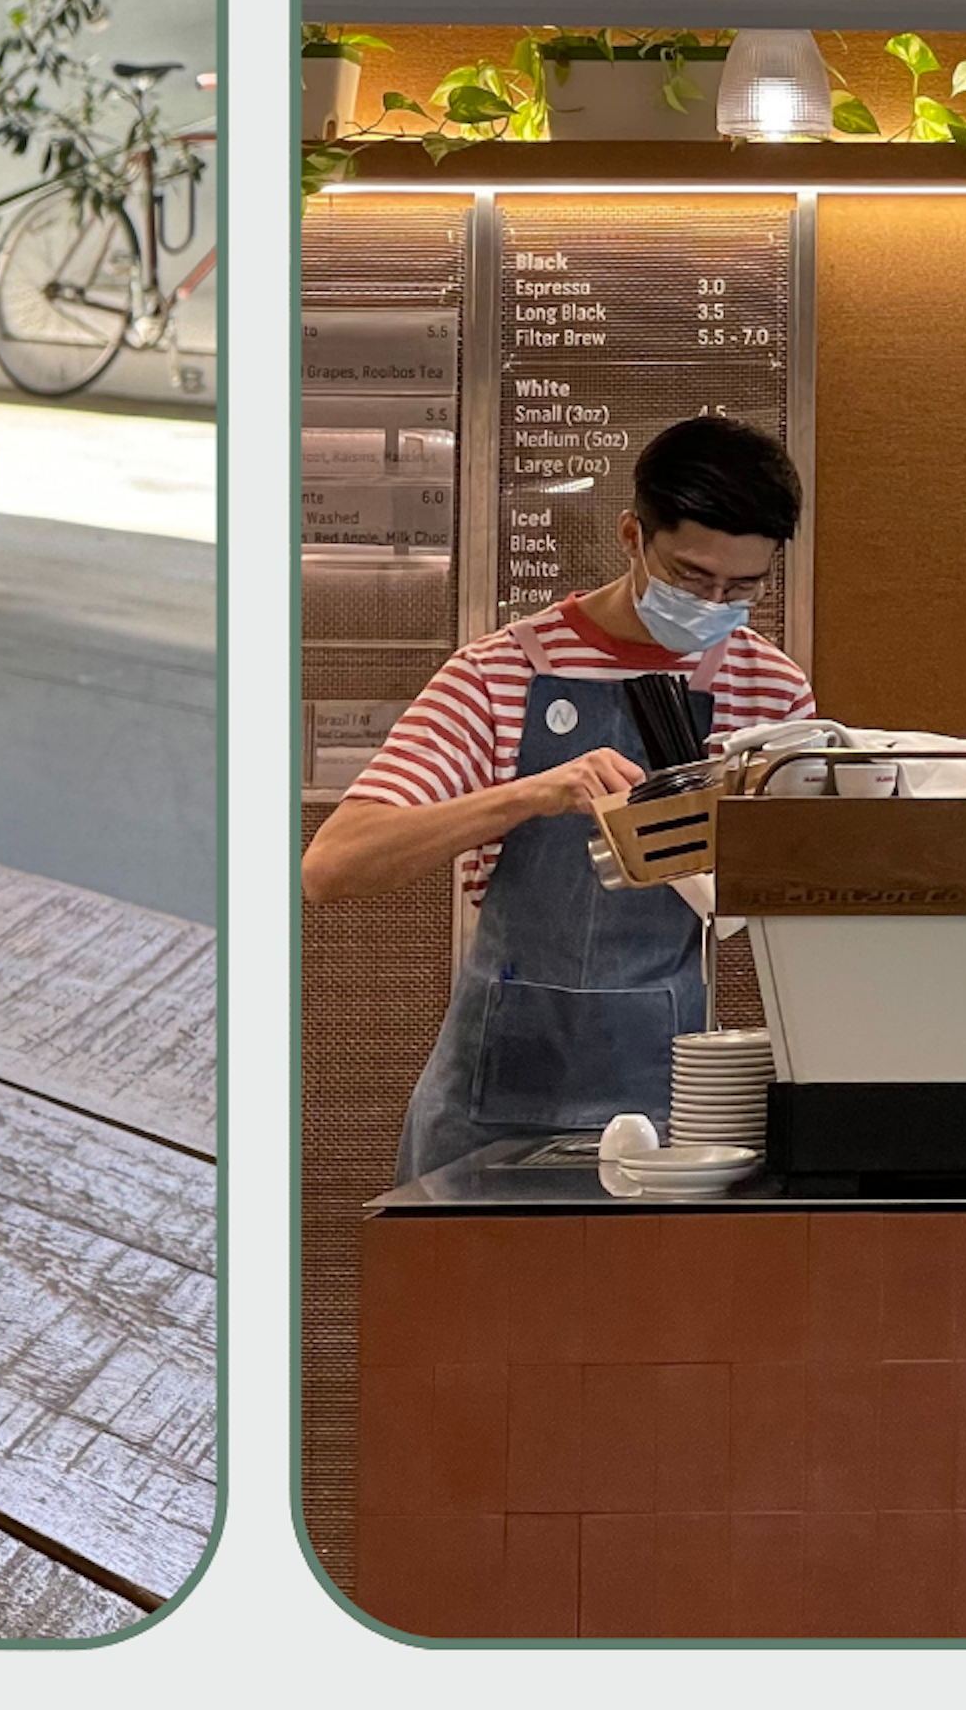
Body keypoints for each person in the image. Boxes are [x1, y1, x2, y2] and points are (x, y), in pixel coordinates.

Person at [301, 415, 819, 1183]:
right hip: (495, 1099)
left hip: (675, 1103)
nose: (713, 603)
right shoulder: (497, 673)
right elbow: (334, 867)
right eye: (688, 576)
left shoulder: (769, 690)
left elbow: (798, 891)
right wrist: (529, 795)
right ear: (631, 536)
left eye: (742, 586)